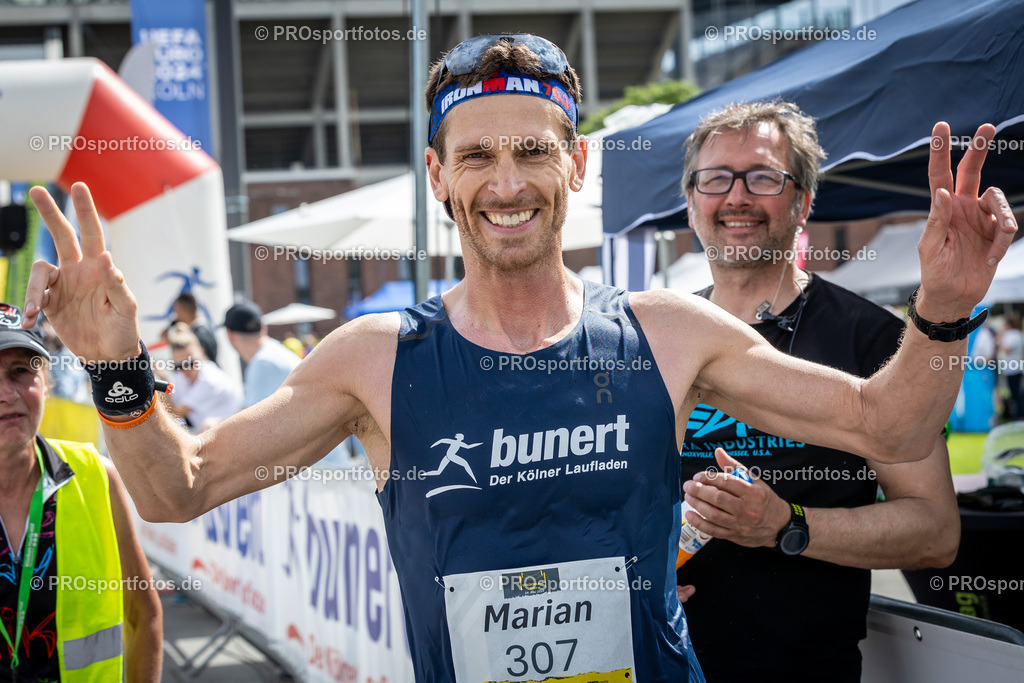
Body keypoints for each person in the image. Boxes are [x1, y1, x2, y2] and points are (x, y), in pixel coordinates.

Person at [21, 34, 1016, 682]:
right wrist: (116, 363)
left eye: (534, 151)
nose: (508, 181)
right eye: (480, 155)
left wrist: (941, 309)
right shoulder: (374, 355)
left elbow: (890, 425)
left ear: (574, 164)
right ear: (438, 175)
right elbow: (175, 489)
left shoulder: (665, 332)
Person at [673, 101, 959, 682]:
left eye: (762, 177)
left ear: (803, 201)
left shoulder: (874, 339)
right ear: (691, 201)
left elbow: (935, 532)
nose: (736, 198)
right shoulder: (659, 336)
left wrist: (786, 525)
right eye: (715, 179)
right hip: (661, 661)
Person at [0, 303, 162, 682]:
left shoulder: (93, 475)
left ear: (46, 384)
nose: (6, 394)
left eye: (20, 371)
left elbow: (143, 614)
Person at [164, 322, 242, 432]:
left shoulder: (209, 379)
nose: (186, 369)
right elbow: (169, 410)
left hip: (235, 431)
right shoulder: (180, 376)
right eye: (179, 365)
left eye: (191, 362)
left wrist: (162, 381)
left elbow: (174, 414)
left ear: (201, 352)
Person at [222, 300, 299, 407]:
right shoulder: (271, 353)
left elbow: (253, 419)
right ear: (264, 327)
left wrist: (216, 422)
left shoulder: (263, 362)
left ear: (229, 334)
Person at [172, 291, 217, 364]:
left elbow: (206, 363)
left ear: (184, 310)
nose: (176, 316)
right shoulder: (202, 330)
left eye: (177, 311)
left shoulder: (199, 335)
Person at [998, 311, 1023, 420]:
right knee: (1016, 392)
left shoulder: (1011, 335)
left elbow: (1007, 349)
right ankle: (1019, 414)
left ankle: (1019, 415)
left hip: (1012, 368)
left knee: (1015, 393)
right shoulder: (1018, 334)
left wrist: (1000, 341)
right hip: (1017, 366)